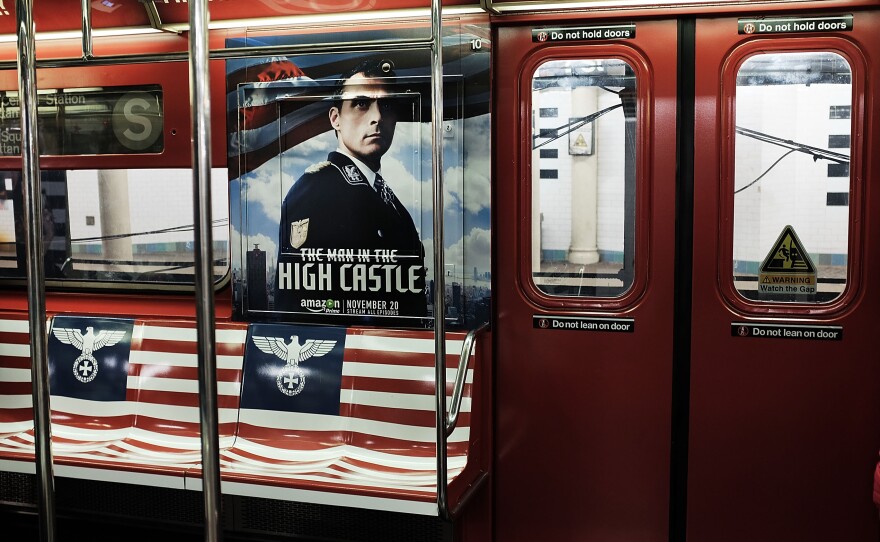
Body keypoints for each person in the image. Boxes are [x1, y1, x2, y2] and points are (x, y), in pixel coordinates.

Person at [274, 59, 427, 321]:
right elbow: (303, 305)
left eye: (386, 105)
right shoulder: (315, 190)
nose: (377, 117)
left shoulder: (391, 201)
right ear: (336, 119)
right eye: (361, 104)